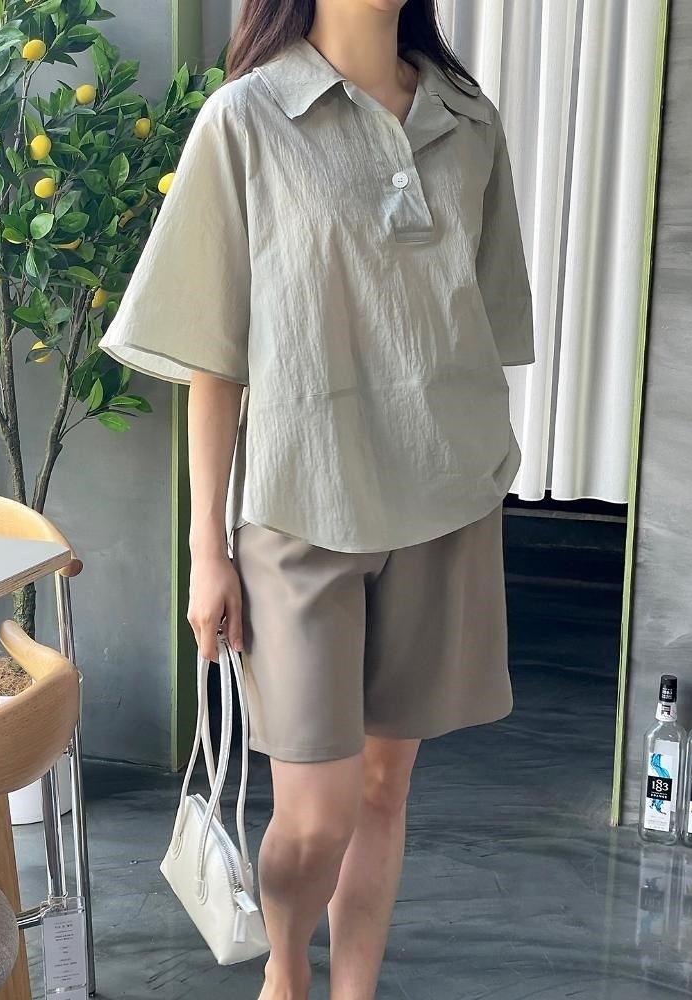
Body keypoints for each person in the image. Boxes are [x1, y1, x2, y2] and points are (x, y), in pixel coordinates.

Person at [99, 0, 535, 996]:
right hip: (300, 505)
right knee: (315, 814)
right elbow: (213, 356)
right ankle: (288, 969)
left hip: (443, 501)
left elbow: (483, 315)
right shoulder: (246, 118)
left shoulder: (466, 117)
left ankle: (354, 990)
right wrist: (207, 551)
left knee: (383, 790)